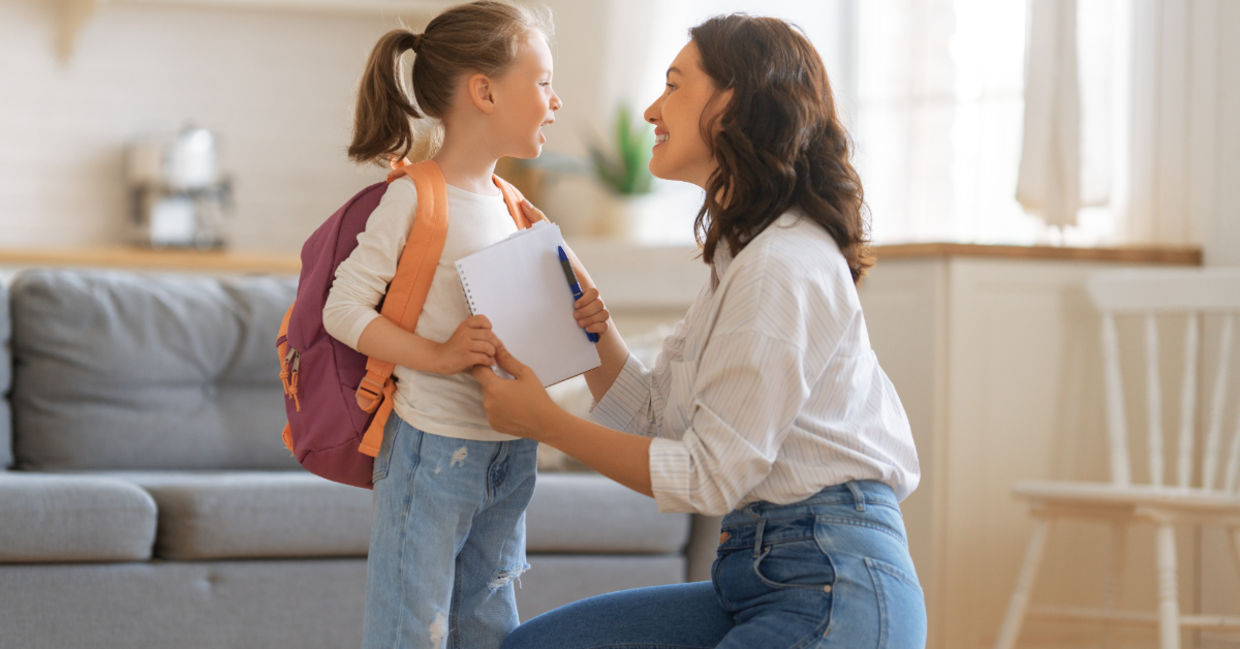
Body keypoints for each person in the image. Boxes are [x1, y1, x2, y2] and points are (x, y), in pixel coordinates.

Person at [472, 13, 927, 649]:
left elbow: (707, 477)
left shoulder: (780, 266)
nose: (653, 109)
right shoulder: (742, 257)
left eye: (676, 86)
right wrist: (587, 319)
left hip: (831, 586)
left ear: (735, 100)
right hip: (762, 577)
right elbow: (655, 414)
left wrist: (545, 421)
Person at [321, 3, 602, 648]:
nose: (555, 101)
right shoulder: (416, 195)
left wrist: (579, 316)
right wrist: (440, 356)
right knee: (410, 628)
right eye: (542, 82)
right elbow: (344, 309)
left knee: (488, 628)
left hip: (511, 448)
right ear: (484, 90)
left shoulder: (514, 207)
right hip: (431, 449)